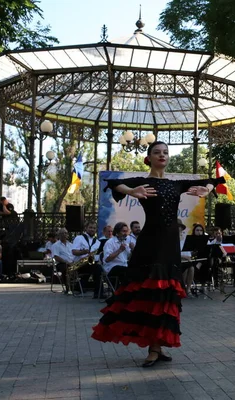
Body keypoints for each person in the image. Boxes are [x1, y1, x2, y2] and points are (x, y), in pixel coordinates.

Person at [91, 141, 224, 367]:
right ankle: (153, 348)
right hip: (151, 241)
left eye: (165, 152)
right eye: (156, 152)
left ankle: (157, 347)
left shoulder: (176, 184)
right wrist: (132, 191)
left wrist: (207, 189)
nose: (162, 155)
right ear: (149, 157)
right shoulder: (144, 182)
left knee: (166, 294)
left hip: (171, 243)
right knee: (150, 292)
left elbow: (213, 181)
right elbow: (113, 182)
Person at [102, 222, 131, 286]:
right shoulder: (110, 242)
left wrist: (133, 249)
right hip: (112, 269)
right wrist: (119, 250)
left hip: (124, 267)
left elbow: (129, 257)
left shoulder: (125, 242)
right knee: (122, 270)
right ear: (117, 232)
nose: (125, 234)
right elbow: (107, 259)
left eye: (126, 231)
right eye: (123, 231)